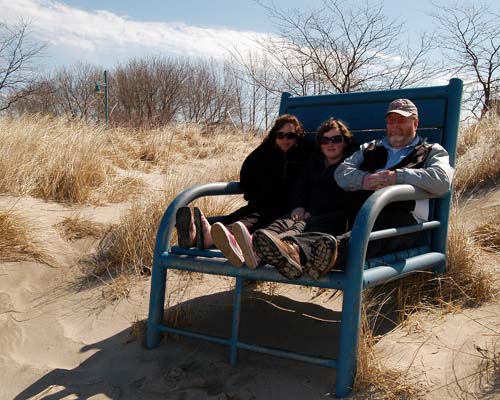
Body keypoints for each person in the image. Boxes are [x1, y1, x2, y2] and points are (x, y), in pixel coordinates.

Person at [252, 98, 455, 280]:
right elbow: (342, 173)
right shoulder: (371, 148)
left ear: (415, 123)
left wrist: (397, 177)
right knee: (329, 219)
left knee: (371, 226)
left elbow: (442, 180)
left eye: (402, 120)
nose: (395, 125)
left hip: (401, 219)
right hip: (359, 212)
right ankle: (291, 248)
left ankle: (324, 254)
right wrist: (365, 180)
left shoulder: (431, 151)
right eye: (391, 120)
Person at [175, 114, 314, 267]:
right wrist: (255, 193)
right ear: (274, 136)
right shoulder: (265, 152)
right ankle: (197, 232)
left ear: (298, 137)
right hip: (264, 202)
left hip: (288, 208)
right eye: (280, 135)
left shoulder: (305, 154)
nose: (285, 139)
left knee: (255, 219)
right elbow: (247, 173)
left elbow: (315, 178)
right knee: (243, 214)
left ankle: (210, 236)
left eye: (291, 135)